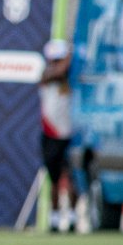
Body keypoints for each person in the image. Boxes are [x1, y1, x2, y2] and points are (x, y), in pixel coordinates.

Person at [39, 38, 77, 232]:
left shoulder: (73, 77)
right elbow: (58, 72)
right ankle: (54, 219)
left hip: (70, 133)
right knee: (54, 179)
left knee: (71, 178)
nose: (55, 63)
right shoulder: (47, 75)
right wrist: (71, 52)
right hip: (51, 134)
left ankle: (72, 218)